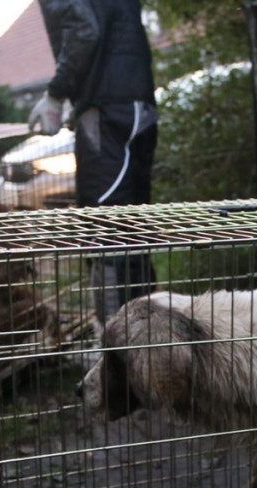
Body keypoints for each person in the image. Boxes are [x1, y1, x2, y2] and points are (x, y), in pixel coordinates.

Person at [29, 0, 159, 327]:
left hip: (107, 110)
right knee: (133, 228)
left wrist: (56, 93)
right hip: (139, 103)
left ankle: (114, 347)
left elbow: (84, 31)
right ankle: (149, 337)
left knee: (106, 231)